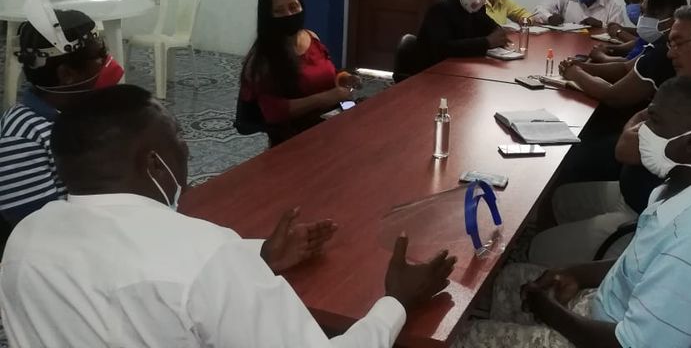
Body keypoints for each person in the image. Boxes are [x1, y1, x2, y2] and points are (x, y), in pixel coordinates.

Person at [0, 85, 456, 347]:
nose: (188, 149)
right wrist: (397, 301)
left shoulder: (24, 239)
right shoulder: (205, 254)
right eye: (179, 138)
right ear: (154, 163)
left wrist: (261, 255)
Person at [453, 77, 691, 348]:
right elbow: (641, 262)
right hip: (614, 306)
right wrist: (576, 273)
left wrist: (549, 311)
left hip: (614, 338)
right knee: (511, 279)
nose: (642, 131)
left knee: (460, 339)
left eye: (655, 122)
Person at [530, 4, 691, 265]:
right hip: (634, 193)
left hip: (651, 220)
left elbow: (625, 149)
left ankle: (582, 272)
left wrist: (632, 129)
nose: (670, 53)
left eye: (679, 44)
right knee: (558, 199)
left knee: (538, 249)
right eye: (670, 44)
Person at [0, 10, 124, 226]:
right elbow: (35, 226)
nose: (109, 62)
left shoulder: (83, 112)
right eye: (100, 56)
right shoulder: (22, 136)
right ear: (67, 75)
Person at [239, 0, 359, 146]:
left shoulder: (312, 37)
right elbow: (273, 112)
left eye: (293, 7)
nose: (289, 14)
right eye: (279, 11)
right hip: (295, 138)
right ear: (268, 16)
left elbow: (325, 72)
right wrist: (324, 98)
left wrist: (343, 78)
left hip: (331, 126)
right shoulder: (263, 59)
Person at [412, 0, 509, 73]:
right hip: (430, 72)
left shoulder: (477, 8)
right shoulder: (441, 9)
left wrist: (499, 35)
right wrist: (487, 42)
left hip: (460, 68)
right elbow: (443, 48)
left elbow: (492, 28)